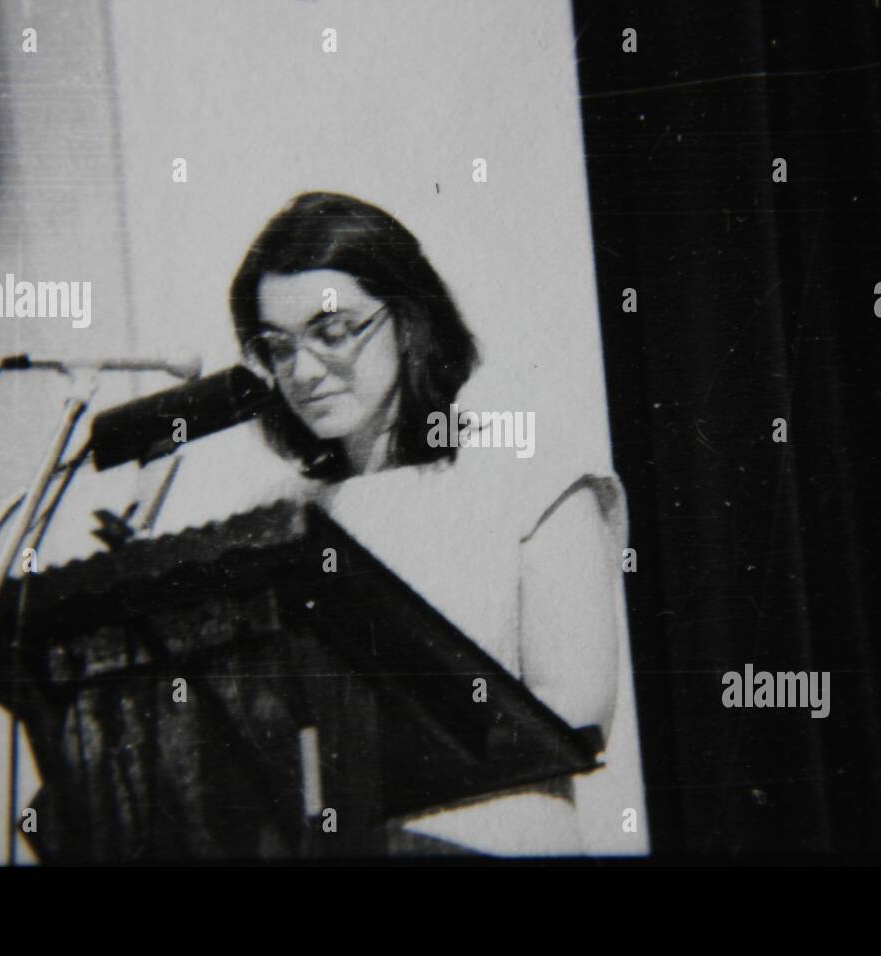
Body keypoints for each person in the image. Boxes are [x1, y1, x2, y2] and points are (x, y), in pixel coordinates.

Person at [228, 191, 629, 856]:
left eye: (331, 332)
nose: (300, 372)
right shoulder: (276, 520)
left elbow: (577, 710)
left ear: (409, 320)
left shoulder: (532, 475)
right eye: (276, 346)